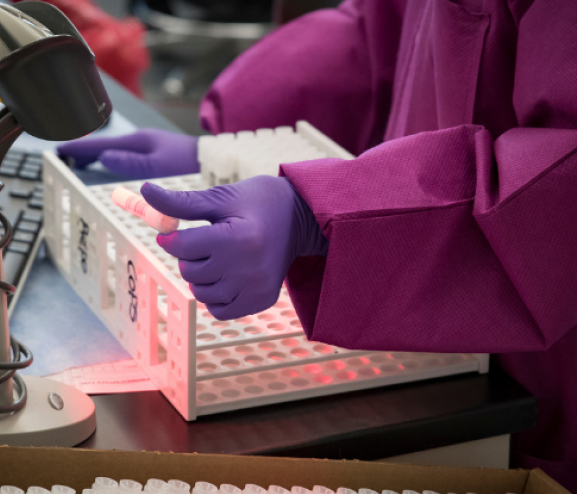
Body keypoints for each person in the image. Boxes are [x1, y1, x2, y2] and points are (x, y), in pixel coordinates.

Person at [58, 0, 577, 488]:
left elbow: (560, 184)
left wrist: (324, 213)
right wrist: (229, 145)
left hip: (541, 361)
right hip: (408, 323)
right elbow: (383, 32)